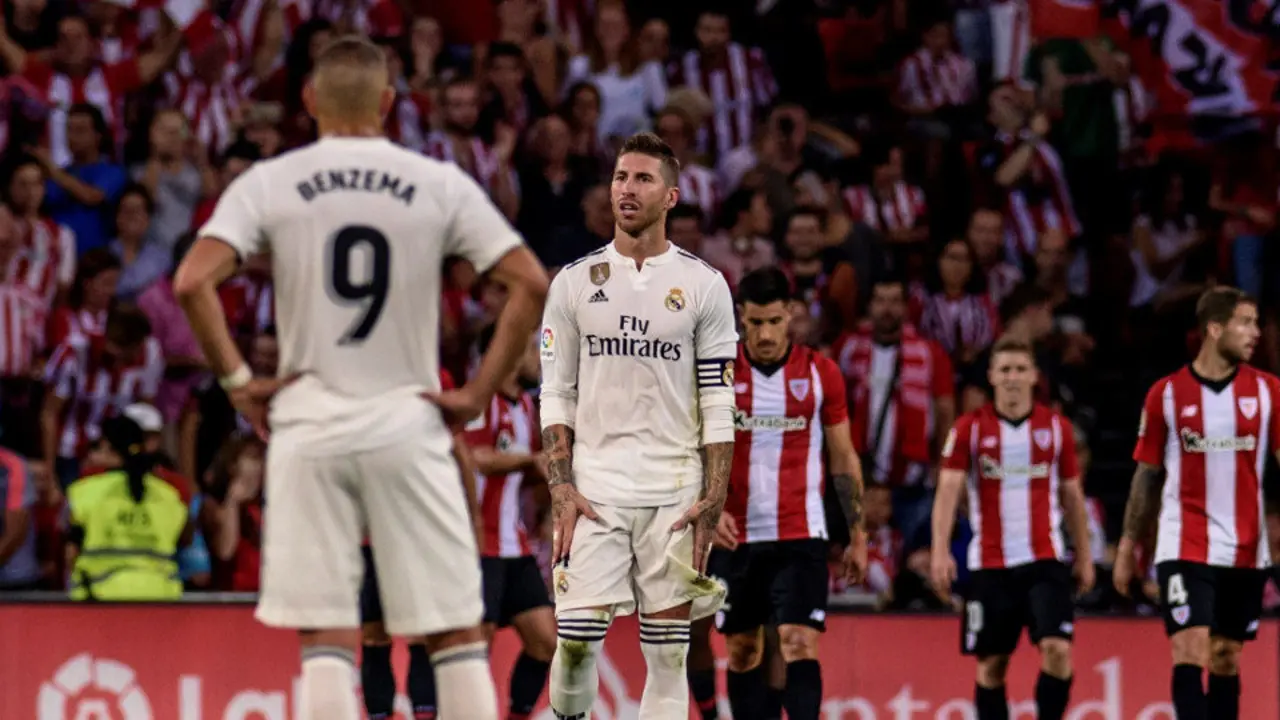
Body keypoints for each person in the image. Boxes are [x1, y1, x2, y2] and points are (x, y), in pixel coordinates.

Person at [172, 36, 550, 720]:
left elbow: (194, 279)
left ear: (310, 101)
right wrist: (474, 392)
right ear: (388, 103)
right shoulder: (436, 181)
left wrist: (235, 380)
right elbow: (527, 281)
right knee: (457, 633)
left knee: (327, 635)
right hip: (407, 424)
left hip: (309, 424)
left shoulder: (269, 181)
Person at [539, 131, 738, 719]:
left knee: (670, 656)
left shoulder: (704, 286)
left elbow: (718, 401)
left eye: (643, 178)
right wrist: (561, 486)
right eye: (621, 177)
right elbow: (556, 391)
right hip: (595, 488)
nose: (627, 188)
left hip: (674, 490)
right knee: (574, 646)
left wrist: (713, 495)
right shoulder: (573, 282)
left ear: (671, 196)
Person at [1114, 286, 1279, 720]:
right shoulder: (1165, 395)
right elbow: (1147, 476)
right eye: (1245, 322)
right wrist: (1127, 546)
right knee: (1190, 647)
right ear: (1214, 328)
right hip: (1183, 543)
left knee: (1226, 656)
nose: (1255, 333)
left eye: (1256, 323)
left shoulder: (1270, 393)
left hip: (1246, 548)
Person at [717, 267, 867, 720]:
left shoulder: (822, 374)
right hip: (734, 535)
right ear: (741, 317)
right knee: (744, 650)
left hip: (801, 534)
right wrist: (709, 510)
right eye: (755, 322)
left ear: (790, 315)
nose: (764, 333)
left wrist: (858, 533)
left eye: (774, 321)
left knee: (799, 641)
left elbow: (844, 457)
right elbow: (690, 449)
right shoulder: (718, 374)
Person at [931, 335, 1094, 720]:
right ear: (991, 376)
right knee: (991, 666)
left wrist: (1085, 555)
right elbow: (948, 491)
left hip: (1045, 560)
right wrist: (940, 552)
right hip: (990, 565)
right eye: (1005, 369)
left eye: (1021, 369)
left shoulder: (1056, 429)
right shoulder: (968, 429)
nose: (1013, 377)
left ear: (1034, 376)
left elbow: (1072, 496)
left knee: (1058, 650)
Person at [361, 368, 483, 720]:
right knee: (374, 636)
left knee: (419, 634)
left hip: (417, 528)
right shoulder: (358, 373)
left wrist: (472, 518)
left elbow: (458, 449)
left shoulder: (431, 373)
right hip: (373, 529)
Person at [463, 326, 557, 719]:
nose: (539, 359)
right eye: (532, 350)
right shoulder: (481, 404)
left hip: (514, 547)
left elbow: (532, 468)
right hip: (478, 546)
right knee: (473, 654)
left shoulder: (526, 407)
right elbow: (472, 457)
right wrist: (526, 461)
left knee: (545, 642)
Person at [65, 414, 190, 601]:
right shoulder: (168, 494)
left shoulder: (84, 491)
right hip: (162, 599)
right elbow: (185, 539)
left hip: (99, 597)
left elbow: (71, 552)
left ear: (108, 448)